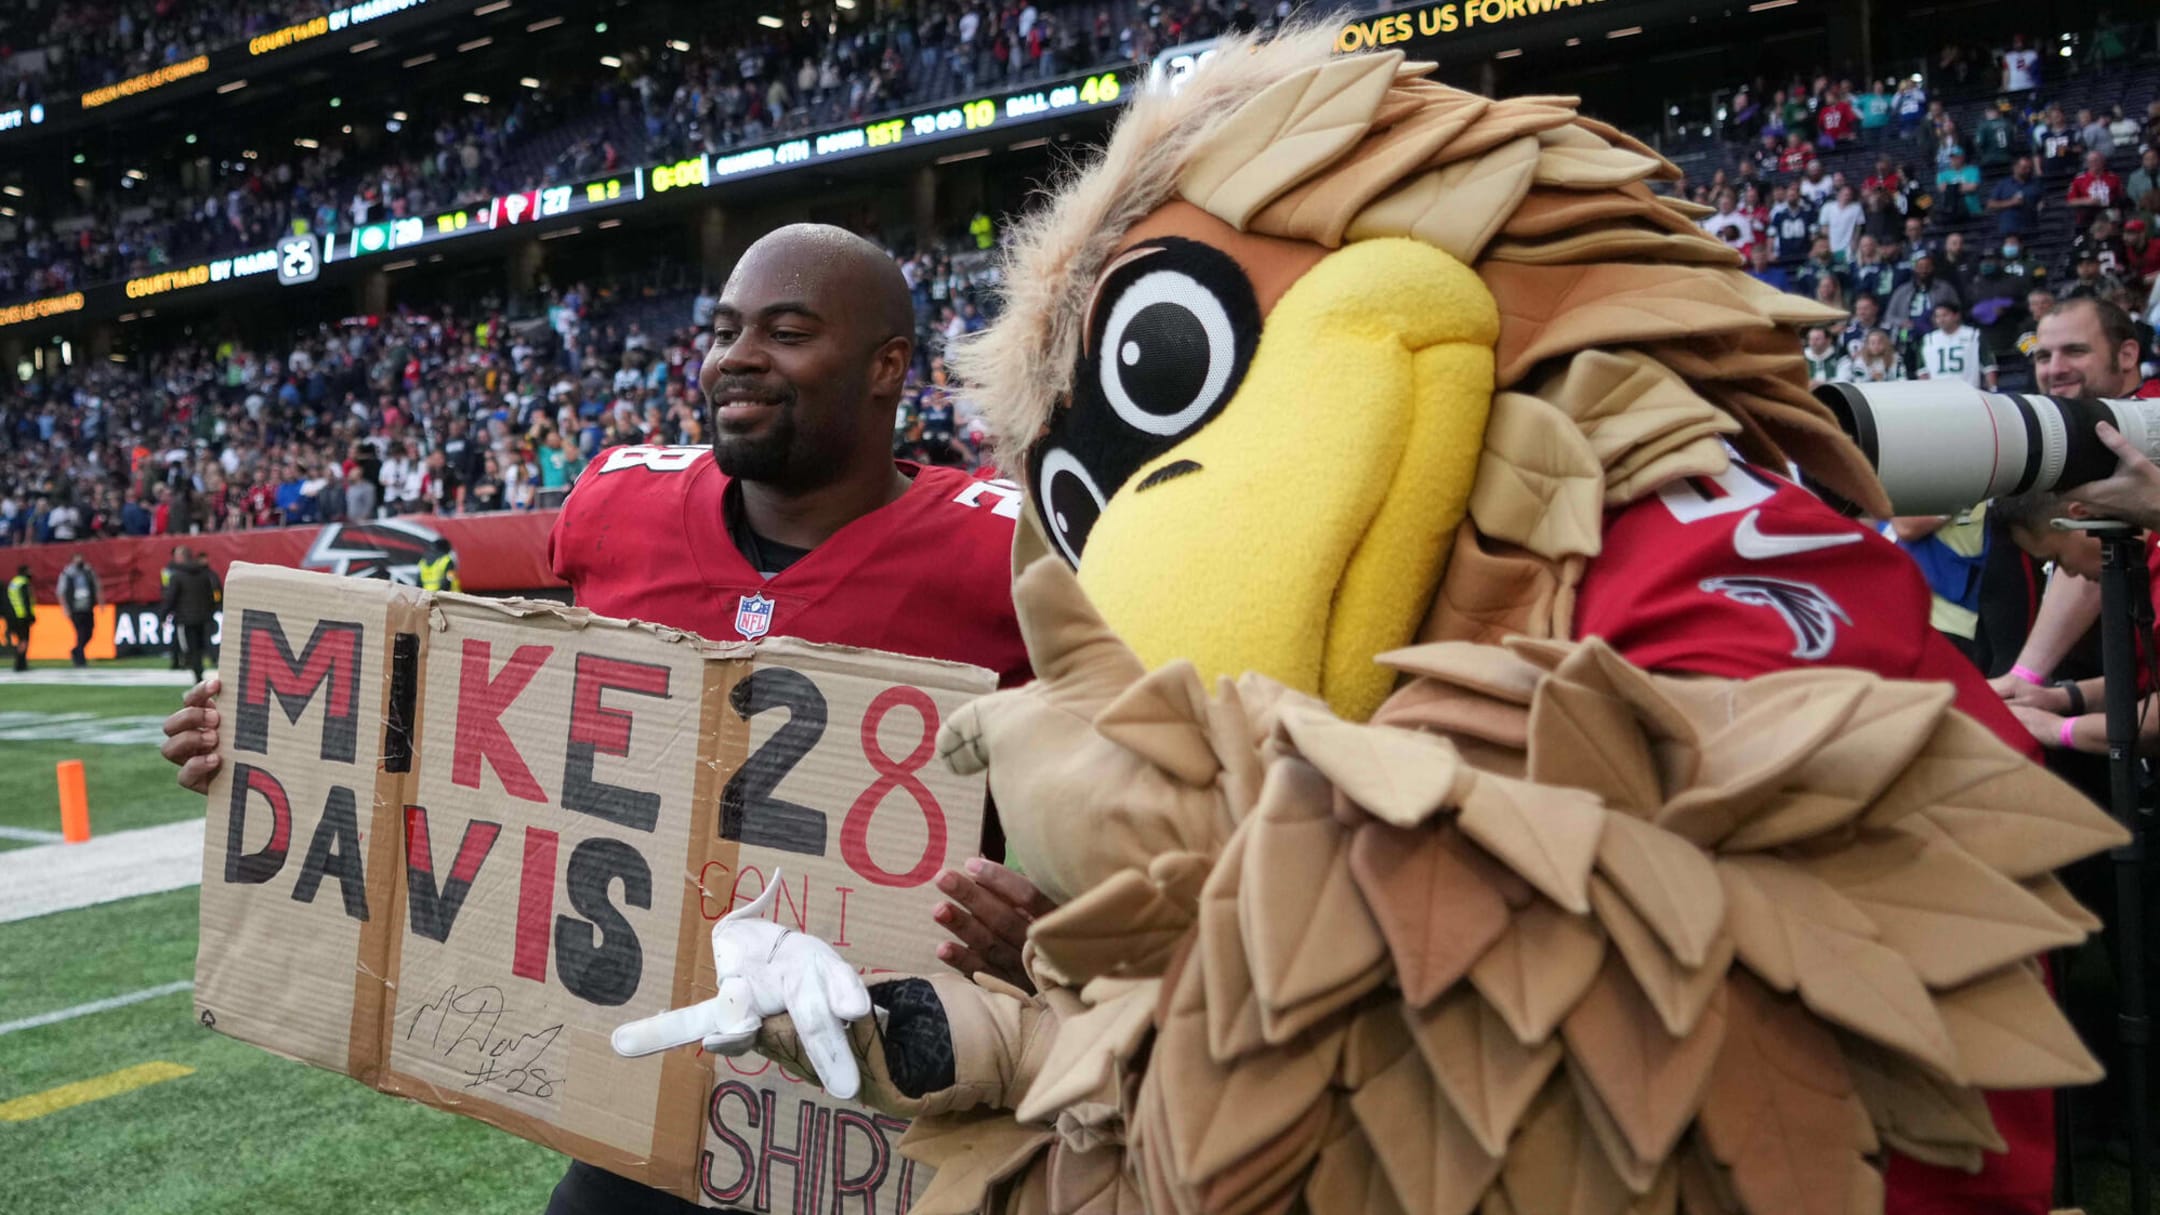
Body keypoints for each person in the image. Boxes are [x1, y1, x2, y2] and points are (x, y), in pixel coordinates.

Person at [158, 223, 1036, 1215]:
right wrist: (285, 732)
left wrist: (1045, 935)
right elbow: (497, 717)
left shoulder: (1011, 560)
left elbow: (1129, 817)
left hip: (886, 1115)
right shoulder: (623, 507)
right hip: (649, 1086)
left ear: (887, 367)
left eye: (786, 333)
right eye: (726, 328)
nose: (736, 357)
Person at [160, 550, 221, 682]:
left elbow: (171, 598)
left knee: (189, 647)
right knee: (201, 645)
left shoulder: (177, 576)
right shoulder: (205, 574)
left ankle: (197, 673)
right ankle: (201, 668)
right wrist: (211, 612)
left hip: (185, 619)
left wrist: (164, 615)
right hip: (203, 617)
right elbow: (211, 596)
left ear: (181, 558)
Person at [1918, 300, 1993, 388]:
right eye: (1937, 316)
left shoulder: (1973, 335)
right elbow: (1923, 371)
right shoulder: (1928, 339)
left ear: (1956, 316)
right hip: (1939, 392)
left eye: (1945, 315)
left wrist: (1993, 388)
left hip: (1969, 390)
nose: (1941, 320)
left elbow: (1989, 366)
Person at [1986, 156, 2045, 239]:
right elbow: (1990, 204)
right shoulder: (2003, 184)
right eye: (2024, 168)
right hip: (2010, 229)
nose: (2028, 171)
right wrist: (2011, 202)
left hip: (2030, 228)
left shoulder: (2035, 185)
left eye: (2029, 168)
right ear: (2015, 167)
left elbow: (2042, 200)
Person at [56, 555, 98, 667]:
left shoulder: (88, 571)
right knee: (80, 632)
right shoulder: (67, 574)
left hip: (87, 607)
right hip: (75, 608)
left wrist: (99, 601)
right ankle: (80, 659)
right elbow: (61, 591)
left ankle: (76, 650)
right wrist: (65, 608)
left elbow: (96, 586)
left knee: (89, 633)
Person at [2067, 150, 2122, 230]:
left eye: (2096, 160)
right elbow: (2070, 201)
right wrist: (2087, 201)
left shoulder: (2114, 178)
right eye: (2090, 161)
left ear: (2103, 162)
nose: (2093, 163)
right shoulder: (2079, 180)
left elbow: (2120, 197)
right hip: (2088, 215)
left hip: (2109, 213)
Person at [160, 545, 190, 669]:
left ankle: (184, 660)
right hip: (179, 609)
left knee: (183, 637)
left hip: (186, 607)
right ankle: (177, 660)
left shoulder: (185, 570)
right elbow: (166, 589)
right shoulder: (170, 570)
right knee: (179, 636)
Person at [5, 564, 30, 673]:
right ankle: (20, 662)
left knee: (19, 639)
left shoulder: (13, 583)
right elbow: (26, 600)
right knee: (24, 640)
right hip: (22, 616)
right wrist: (30, 615)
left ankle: (19, 661)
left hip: (12, 615)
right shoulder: (24, 583)